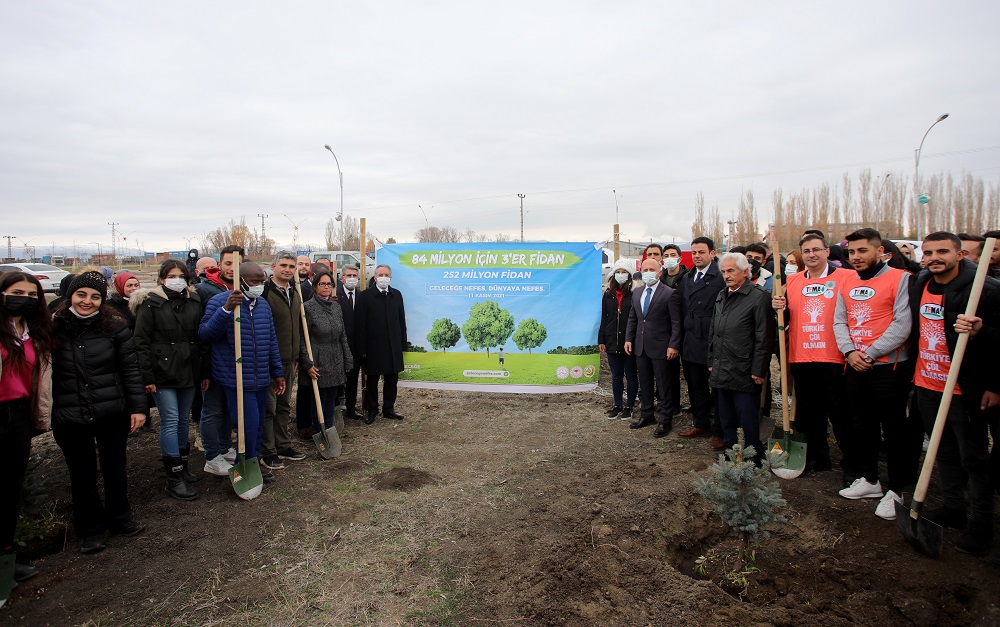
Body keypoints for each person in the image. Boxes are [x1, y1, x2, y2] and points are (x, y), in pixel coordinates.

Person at [909, 231, 999, 555]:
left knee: (974, 459)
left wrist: (980, 332)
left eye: (942, 251)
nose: (934, 258)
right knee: (941, 451)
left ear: (960, 254)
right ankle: (953, 508)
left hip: (965, 389)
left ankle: (981, 527)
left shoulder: (986, 290)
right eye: (928, 252)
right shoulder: (919, 283)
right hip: (927, 384)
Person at [50, 271, 147, 554]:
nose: (87, 301)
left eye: (95, 297)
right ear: (71, 296)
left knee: (115, 467)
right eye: (81, 295)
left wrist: (138, 407)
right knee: (82, 473)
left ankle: (120, 517)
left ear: (102, 300)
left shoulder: (114, 326)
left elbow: (130, 369)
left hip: (111, 409)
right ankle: (90, 529)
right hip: (70, 411)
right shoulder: (54, 327)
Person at [833, 228, 918, 520]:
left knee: (894, 430)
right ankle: (870, 479)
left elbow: (902, 324)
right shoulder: (847, 281)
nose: (855, 257)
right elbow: (839, 321)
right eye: (851, 252)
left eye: (862, 251)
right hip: (855, 365)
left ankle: (896, 489)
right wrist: (850, 353)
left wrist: (869, 353)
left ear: (880, 251)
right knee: (862, 425)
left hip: (889, 367)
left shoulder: (901, 279)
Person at [772, 233, 856, 480]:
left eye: (816, 249)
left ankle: (854, 464)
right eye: (806, 251)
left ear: (827, 252)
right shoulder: (793, 281)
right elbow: (785, 319)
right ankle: (816, 458)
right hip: (803, 356)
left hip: (835, 357)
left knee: (841, 414)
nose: (811, 255)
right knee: (808, 415)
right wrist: (778, 307)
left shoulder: (846, 278)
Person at [199, 262, 285, 483]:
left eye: (262, 281)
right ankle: (240, 468)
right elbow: (205, 334)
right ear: (241, 281)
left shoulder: (263, 305)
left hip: (259, 377)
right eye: (255, 282)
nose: (259, 285)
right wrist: (226, 310)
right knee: (247, 425)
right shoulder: (220, 302)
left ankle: (252, 465)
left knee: (256, 425)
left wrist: (277, 371)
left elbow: (271, 341)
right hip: (235, 377)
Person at [133, 260, 209, 501]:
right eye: (171, 275)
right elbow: (141, 343)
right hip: (162, 371)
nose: (177, 279)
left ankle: (183, 467)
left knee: (183, 420)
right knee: (171, 419)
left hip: (188, 369)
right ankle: (173, 477)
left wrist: (204, 372)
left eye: (181, 276)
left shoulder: (194, 302)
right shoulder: (150, 304)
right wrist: (147, 376)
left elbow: (200, 338)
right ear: (162, 279)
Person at [0, 272, 53, 597]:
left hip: (18, 415)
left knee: (9, 490)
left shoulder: (34, 333)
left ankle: (6, 557)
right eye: (17, 292)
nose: (25, 298)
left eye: (32, 294)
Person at [708, 253, 774, 462]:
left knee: (747, 420)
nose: (726, 275)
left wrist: (758, 369)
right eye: (724, 272)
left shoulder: (758, 297)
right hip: (721, 368)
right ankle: (730, 455)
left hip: (744, 370)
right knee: (726, 418)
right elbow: (714, 330)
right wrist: (711, 361)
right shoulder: (722, 295)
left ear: (745, 272)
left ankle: (751, 460)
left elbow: (764, 337)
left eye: (731, 271)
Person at [195, 245, 243, 476]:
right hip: (213, 361)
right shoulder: (206, 290)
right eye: (227, 264)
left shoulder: (245, 289)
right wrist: (204, 368)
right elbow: (202, 332)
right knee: (212, 409)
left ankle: (224, 448)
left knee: (226, 408)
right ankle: (211, 454)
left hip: (235, 365)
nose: (232, 269)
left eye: (237, 264)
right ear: (219, 264)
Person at [625, 257, 682, 437]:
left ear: (659, 272)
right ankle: (647, 414)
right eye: (645, 269)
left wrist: (673, 344)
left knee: (664, 386)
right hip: (641, 347)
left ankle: (665, 420)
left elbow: (676, 322)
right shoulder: (637, 292)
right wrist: (629, 339)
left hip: (661, 348)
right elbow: (633, 318)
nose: (648, 272)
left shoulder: (669, 293)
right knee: (646, 383)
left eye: (652, 269)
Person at [260, 252, 306, 471]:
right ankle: (267, 451)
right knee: (269, 407)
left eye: (291, 266)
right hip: (269, 361)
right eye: (283, 265)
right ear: (273, 266)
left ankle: (283, 445)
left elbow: (297, 327)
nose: (288, 269)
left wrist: (296, 356)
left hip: (289, 360)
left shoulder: (294, 293)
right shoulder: (265, 293)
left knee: (284, 405)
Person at [678, 237, 726, 448]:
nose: (697, 256)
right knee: (695, 384)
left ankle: (720, 431)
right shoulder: (688, 277)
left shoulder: (721, 277)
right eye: (694, 252)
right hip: (690, 340)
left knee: (717, 388)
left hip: (712, 339)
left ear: (712, 254)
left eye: (701, 252)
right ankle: (701, 423)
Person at [299, 270, 353, 432]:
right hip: (318, 360)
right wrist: (307, 363)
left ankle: (329, 430)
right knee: (319, 400)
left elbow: (342, 334)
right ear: (315, 287)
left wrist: (347, 358)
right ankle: (319, 431)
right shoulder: (307, 308)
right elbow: (302, 339)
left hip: (335, 359)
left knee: (331, 399)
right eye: (322, 284)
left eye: (329, 284)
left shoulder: (336, 307)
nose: (326, 287)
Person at [355, 264, 407, 423]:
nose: (383, 277)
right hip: (373, 347)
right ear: (375, 277)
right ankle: (372, 409)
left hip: (393, 346)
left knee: (392, 379)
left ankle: (388, 408)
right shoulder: (365, 297)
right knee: (372, 380)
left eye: (386, 274)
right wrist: (361, 348)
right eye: (380, 274)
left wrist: (402, 344)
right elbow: (359, 324)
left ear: (390, 277)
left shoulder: (396, 295)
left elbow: (401, 321)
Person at [599, 260, 637, 420]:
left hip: (629, 342)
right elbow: (604, 317)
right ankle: (617, 405)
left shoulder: (636, 294)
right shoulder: (608, 295)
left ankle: (629, 406)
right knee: (616, 376)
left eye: (624, 272)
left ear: (629, 275)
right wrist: (601, 338)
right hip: (611, 340)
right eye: (618, 272)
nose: (621, 275)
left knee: (631, 376)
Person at [337, 264, 363, 420]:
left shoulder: (361, 296)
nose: (352, 279)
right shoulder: (335, 296)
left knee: (353, 380)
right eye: (349, 276)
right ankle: (336, 408)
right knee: (338, 380)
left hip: (356, 346)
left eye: (355, 276)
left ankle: (351, 408)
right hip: (339, 345)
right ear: (342, 278)